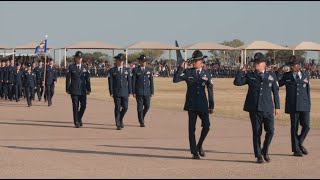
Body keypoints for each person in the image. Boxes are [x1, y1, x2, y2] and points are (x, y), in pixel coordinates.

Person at [233, 52, 280, 164]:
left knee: (271, 131)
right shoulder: (250, 75)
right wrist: (241, 71)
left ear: (264, 64)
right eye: (255, 63)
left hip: (268, 107)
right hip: (254, 108)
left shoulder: (271, 75)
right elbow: (237, 82)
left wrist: (277, 107)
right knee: (257, 132)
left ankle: (265, 150)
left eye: (258, 63)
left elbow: (275, 91)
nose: (256, 65)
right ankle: (258, 155)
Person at [173, 50, 214, 160]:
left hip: (203, 104)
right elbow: (175, 79)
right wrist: (181, 67)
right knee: (191, 129)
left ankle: (199, 145)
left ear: (201, 61)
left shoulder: (207, 73)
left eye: (196, 61)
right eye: (193, 61)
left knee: (206, 126)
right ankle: (194, 152)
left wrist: (212, 105)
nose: (194, 63)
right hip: (191, 104)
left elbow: (210, 89)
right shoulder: (188, 72)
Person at [278, 56, 311, 157]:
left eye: (294, 65)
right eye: (291, 65)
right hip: (293, 105)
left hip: (304, 104)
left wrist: (309, 104)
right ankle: (296, 150)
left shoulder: (306, 75)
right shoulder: (287, 76)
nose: (292, 67)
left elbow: (307, 91)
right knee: (294, 128)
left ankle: (299, 143)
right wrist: (278, 71)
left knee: (306, 126)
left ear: (299, 66)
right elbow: (278, 84)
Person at [66, 51, 91, 128]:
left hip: (83, 90)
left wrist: (89, 89)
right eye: (78, 58)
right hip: (74, 90)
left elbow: (88, 79)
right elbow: (68, 79)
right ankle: (76, 122)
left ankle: (79, 118)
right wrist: (67, 88)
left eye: (80, 58)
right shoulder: (71, 67)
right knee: (75, 106)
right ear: (75, 58)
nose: (79, 59)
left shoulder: (85, 67)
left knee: (83, 106)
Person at [108, 53, 132, 130]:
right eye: (119, 60)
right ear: (117, 61)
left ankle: (120, 118)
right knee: (117, 107)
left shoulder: (127, 70)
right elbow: (110, 82)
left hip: (125, 91)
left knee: (125, 107)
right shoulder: (112, 70)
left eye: (122, 60)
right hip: (116, 92)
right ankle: (118, 123)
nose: (121, 62)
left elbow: (129, 81)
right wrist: (111, 92)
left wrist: (130, 91)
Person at [132, 54, 154, 127]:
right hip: (139, 91)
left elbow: (151, 81)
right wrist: (133, 92)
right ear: (139, 62)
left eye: (144, 61)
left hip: (147, 91)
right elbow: (133, 81)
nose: (143, 63)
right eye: (142, 61)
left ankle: (142, 116)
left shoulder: (149, 70)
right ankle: (141, 121)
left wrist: (152, 91)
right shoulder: (135, 70)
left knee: (147, 106)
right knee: (140, 107)